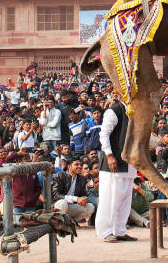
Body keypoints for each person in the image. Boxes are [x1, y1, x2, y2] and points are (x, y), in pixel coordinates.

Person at [95, 100, 137, 242]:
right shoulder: (114, 111)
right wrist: (109, 155)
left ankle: (119, 230)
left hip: (129, 163)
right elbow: (104, 134)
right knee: (109, 199)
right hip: (113, 163)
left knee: (124, 200)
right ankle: (105, 231)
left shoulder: (136, 110)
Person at [52, 157, 95, 223]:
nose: (79, 166)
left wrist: (83, 199)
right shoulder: (60, 176)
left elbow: (82, 195)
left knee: (90, 207)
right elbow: (56, 195)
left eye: (80, 165)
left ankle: (72, 222)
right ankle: (60, 223)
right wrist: (76, 199)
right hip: (59, 206)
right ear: (69, 166)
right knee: (63, 203)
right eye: (76, 164)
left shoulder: (82, 179)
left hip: (72, 207)